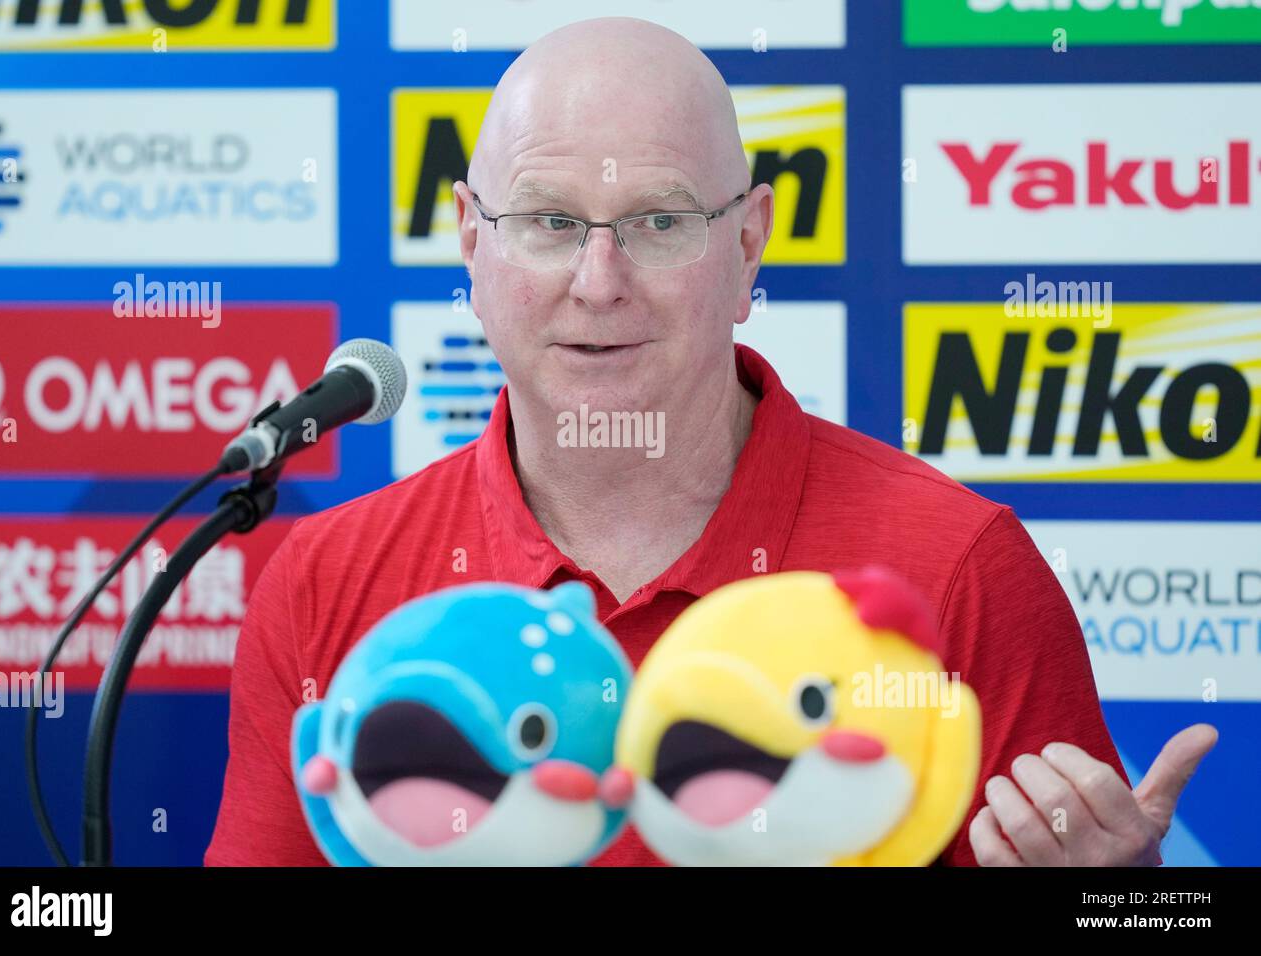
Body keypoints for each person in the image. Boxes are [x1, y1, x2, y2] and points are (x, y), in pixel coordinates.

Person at [205, 16, 1214, 867]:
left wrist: (1119, 899)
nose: (599, 281)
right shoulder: (327, 583)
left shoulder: (956, 568)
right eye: (552, 221)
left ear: (746, 243)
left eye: (657, 221)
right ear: (473, 242)